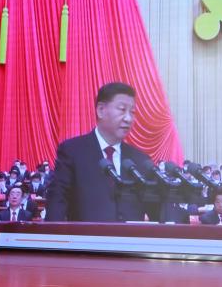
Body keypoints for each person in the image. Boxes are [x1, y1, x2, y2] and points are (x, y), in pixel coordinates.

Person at [45, 82, 155, 222]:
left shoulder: (141, 160)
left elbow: (157, 211)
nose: (128, 118)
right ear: (101, 110)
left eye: (132, 112)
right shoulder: (73, 152)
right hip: (87, 236)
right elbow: (57, 203)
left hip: (131, 236)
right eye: (122, 110)